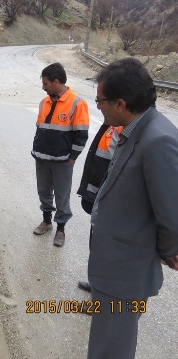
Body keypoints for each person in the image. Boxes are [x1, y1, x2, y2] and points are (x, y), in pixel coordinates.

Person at [87, 57, 178, 359]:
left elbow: (171, 212)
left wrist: (168, 250)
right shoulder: (135, 127)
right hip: (115, 268)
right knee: (109, 343)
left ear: (121, 103)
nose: (98, 106)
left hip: (124, 274)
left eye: (100, 101)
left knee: (111, 350)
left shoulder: (158, 140)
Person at [31, 62, 89, 247]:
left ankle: (61, 229)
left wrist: (72, 158)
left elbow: (81, 135)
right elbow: (40, 129)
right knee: (43, 192)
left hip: (63, 161)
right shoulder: (44, 103)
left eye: (46, 84)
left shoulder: (77, 103)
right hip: (41, 157)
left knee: (62, 196)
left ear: (57, 82)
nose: (43, 87)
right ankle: (46, 221)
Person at [76, 123, 123, 293]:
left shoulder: (129, 128)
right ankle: (97, 284)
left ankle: (103, 297)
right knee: (96, 246)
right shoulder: (112, 123)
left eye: (100, 101)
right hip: (99, 196)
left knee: (108, 251)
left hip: (112, 201)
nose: (98, 106)